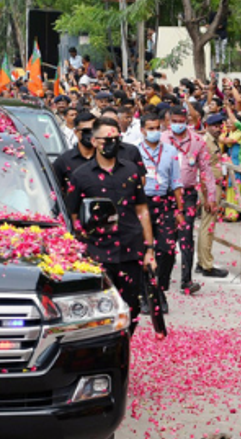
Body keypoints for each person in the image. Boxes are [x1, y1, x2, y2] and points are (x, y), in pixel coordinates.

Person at [65, 117, 156, 332]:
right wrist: (80, 243)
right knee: (98, 309)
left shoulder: (131, 170)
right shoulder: (81, 176)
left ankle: (124, 346)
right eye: (106, 140)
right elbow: (73, 214)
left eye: (115, 139)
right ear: (94, 141)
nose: (111, 144)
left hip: (130, 250)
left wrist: (149, 249)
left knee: (131, 307)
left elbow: (142, 210)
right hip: (97, 252)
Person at [162, 105, 216, 294]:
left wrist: (211, 196)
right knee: (166, 238)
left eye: (180, 121)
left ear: (187, 121)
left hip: (187, 195)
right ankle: (163, 278)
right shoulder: (162, 139)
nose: (177, 125)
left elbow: (207, 170)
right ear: (169, 121)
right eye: (174, 121)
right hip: (165, 195)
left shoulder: (197, 141)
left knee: (186, 238)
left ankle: (186, 280)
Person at [138, 113, 184, 311]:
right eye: (150, 128)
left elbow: (176, 182)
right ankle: (144, 292)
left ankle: (160, 290)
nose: (154, 132)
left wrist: (179, 209)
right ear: (142, 130)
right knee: (142, 249)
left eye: (157, 128)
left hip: (164, 202)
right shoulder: (135, 152)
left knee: (167, 249)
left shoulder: (171, 151)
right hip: (142, 203)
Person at [196, 113, 229, 278]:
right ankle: (206, 264)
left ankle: (202, 261)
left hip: (213, 185)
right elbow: (203, 170)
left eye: (220, 126)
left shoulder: (212, 140)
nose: (218, 129)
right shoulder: (206, 142)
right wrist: (207, 194)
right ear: (207, 126)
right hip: (210, 187)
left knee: (206, 225)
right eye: (215, 126)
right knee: (208, 226)